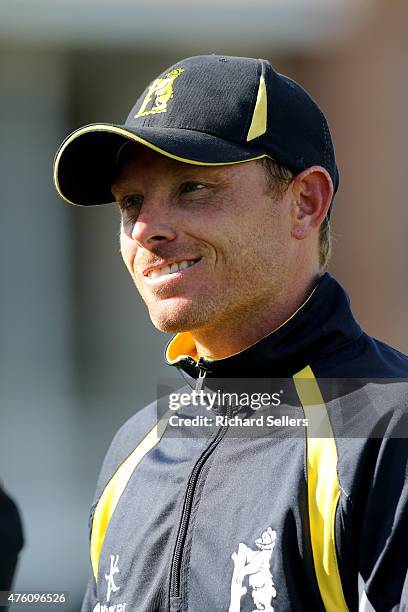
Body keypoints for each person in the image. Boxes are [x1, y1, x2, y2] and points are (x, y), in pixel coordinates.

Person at [53, 55, 408, 611]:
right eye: (131, 203)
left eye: (193, 187)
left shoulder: (389, 432)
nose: (147, 230)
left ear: (305, 203)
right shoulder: (135, 448)